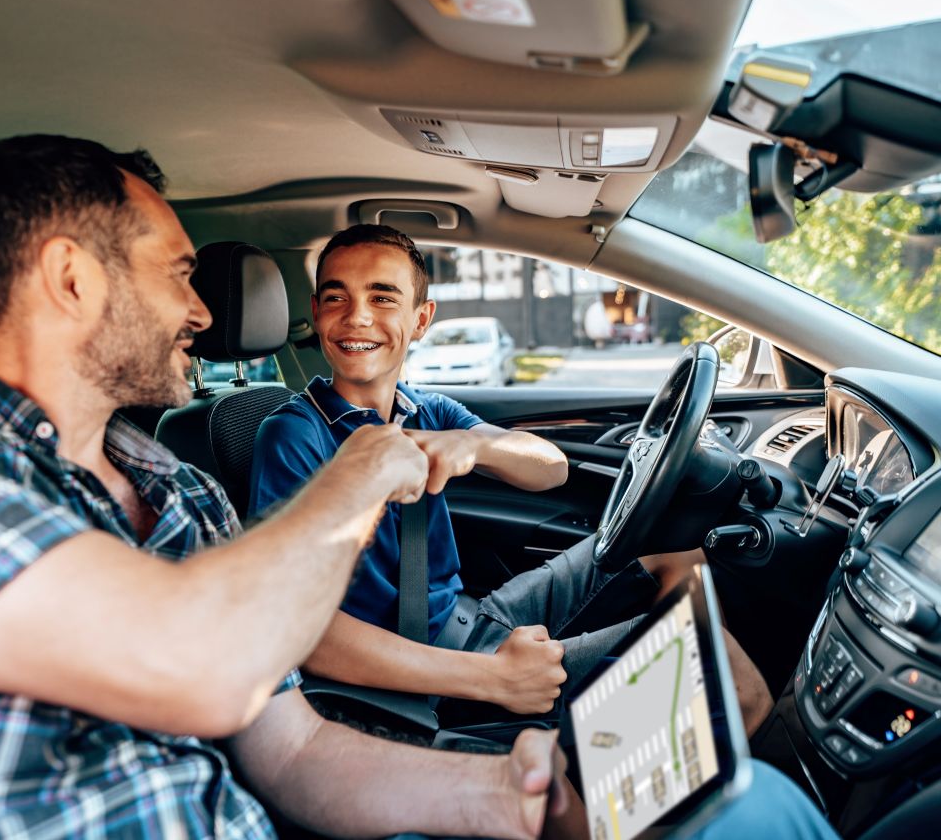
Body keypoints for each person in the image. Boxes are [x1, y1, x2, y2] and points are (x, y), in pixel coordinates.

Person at [0, 135, 835, 840]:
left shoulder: (176, 493)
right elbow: (196, 662)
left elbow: (293, 751)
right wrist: (356, 484)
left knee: (740, 800)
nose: (204, 312)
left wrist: (505, 802)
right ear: (70, 276)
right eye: (175, 273)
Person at [248, 224, 771, 729]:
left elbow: (551, 467)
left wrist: (476, 444)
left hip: (465, 619)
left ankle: (670, 731)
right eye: (336, 298)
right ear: (316, 313)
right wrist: (494, 678)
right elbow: (300, 631)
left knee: (676, 558)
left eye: (383, 297)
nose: (357, 316)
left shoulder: (424, 409)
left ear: (422, 318)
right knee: (718, 665)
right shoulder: (296, 435)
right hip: (416, 674)